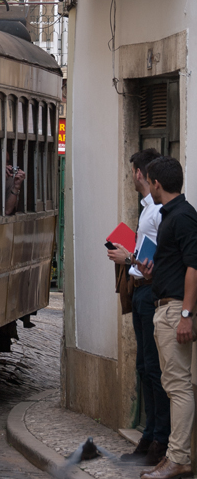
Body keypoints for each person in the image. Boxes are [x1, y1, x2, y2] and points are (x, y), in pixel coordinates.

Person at [107, 148, 169, 466]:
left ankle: (160, 440)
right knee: (144, 368)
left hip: (151, 292)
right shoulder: (146, 209)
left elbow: (161, 260)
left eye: (131, 171)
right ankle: (149, 436)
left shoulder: (158, 211)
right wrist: (129, 247)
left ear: (138, 174)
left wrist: (128, 258)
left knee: (153, 370)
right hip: (141, 293)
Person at [136, 156, 197, 479]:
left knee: (178, 386)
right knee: (174, 384)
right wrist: (152, 272)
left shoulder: (183, 217)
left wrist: (186, 314)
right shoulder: (172, 215)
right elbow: (177, 265)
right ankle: (174, 456)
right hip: (167, 305)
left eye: (150, 183)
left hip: (175, 310)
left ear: (157, 184)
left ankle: (178, 458)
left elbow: (194, 266)